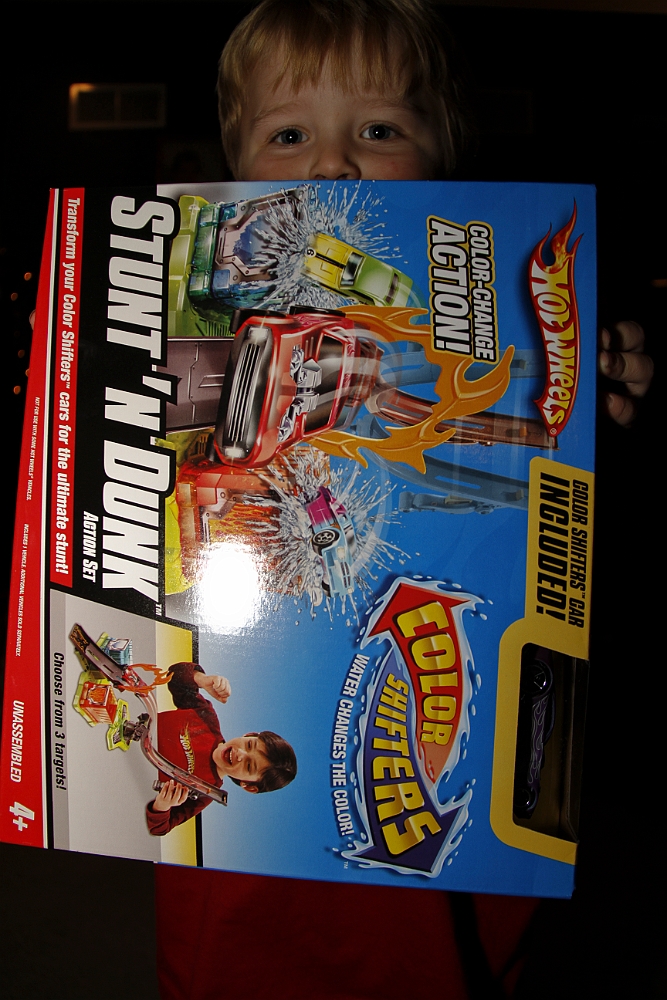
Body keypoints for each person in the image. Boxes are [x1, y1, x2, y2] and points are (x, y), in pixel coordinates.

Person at [155, 2, 655, 998]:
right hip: (237, 825)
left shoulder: (416, 337)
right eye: (288, 134)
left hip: (424, 782)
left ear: (446, 156)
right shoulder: (199, 298)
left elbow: (441, 427)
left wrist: (571, 416)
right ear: (234, 161)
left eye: (378, 129)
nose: (332, 164)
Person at [146, 661, 296, 836]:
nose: (240, 754)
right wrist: (202, 680)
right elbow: (174, 675)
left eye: (249, 766)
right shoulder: (207, 718)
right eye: (249, 745)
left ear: (248, 786)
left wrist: (162, 806)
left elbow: (160, 828)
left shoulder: (204, 792)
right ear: (248, 735)